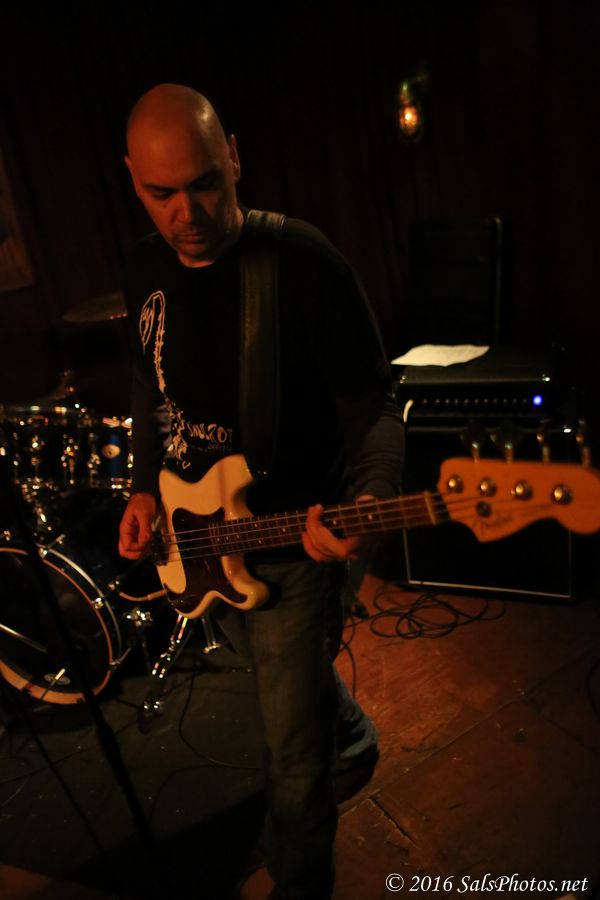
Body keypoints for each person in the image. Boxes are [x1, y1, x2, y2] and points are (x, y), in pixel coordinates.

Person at [118, 83, 404, 900]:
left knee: (291, 755)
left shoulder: (302, 264)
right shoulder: (144, 267)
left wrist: (367, 504)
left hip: (295, 539)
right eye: (161, 194)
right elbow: (148, 386)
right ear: (132, 179)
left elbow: (374, 408)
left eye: (205, 183)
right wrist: (144, 490)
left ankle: (300, 879)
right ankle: (350, 732)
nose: (187, 214)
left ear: (235, 157)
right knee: (286, 681)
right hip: (200, 540)